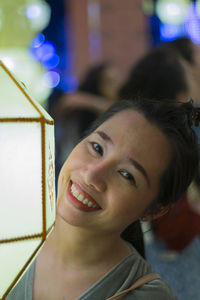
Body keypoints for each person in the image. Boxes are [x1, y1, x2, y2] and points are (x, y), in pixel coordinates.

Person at [7, 97, 199, 300]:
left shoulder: (146, 296)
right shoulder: (11, 223)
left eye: (127, 175)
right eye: (97, 148)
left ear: (153, 210)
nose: (92, 176)